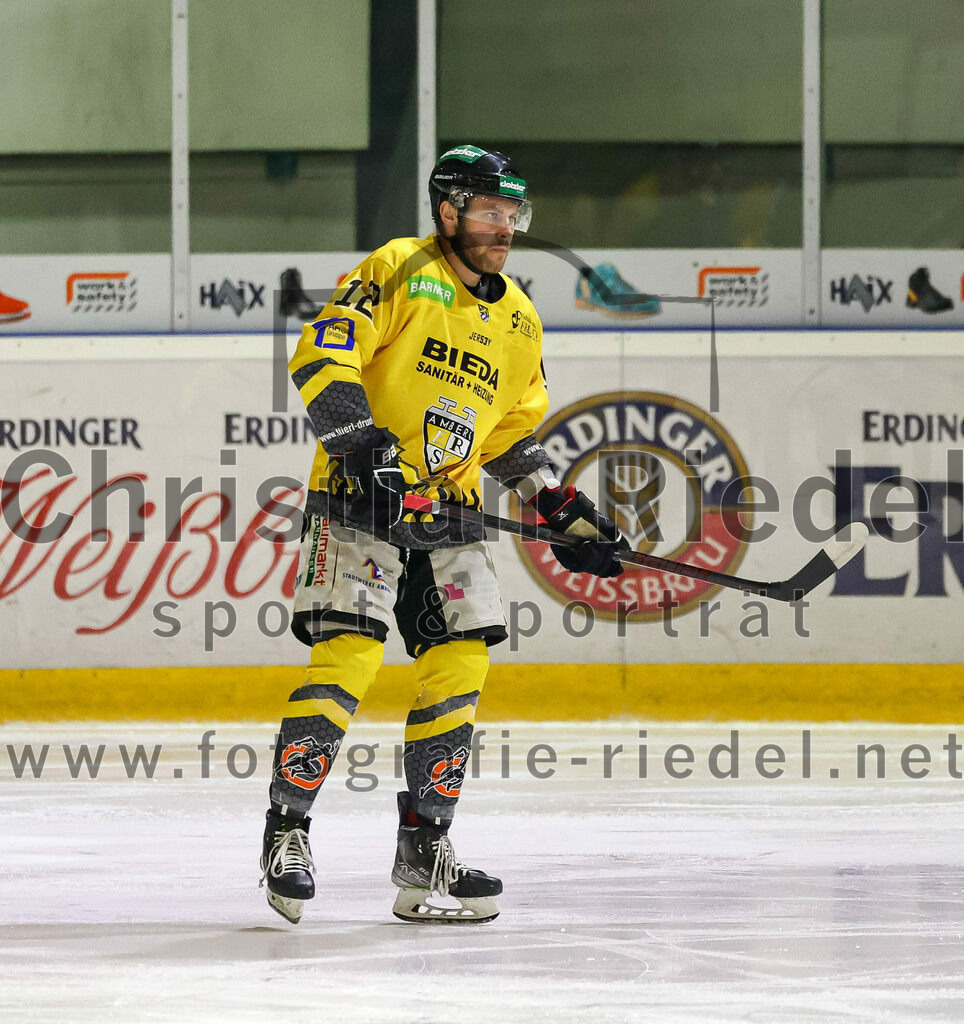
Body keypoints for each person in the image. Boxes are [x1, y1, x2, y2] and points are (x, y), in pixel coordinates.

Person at [260, 144, 626, 925]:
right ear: (448, 209)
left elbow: (508, 437)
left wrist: (561, 511)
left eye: (513, 215)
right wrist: (360, 446)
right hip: (359, 502)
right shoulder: (399, 267)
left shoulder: (519, 320)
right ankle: (285, 834)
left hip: (450, 516)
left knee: (461, 664)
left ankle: (426, 850)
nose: (505, 227)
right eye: (491, 211)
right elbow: (321, 354)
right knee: (351, 657)